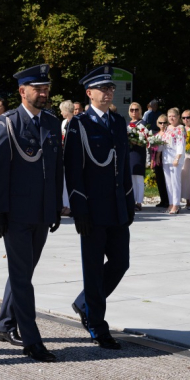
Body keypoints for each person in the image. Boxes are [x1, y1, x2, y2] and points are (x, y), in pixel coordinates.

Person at [0, 64, 63, 363]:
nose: (43, 93)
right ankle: (32, 341)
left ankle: (5, 325)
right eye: (38, 88)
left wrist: (56, 205)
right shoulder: (7, 123)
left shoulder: (51, 122)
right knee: (22, 278)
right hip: (16, 214)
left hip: (42, 212)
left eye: (46, 88)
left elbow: (56, 169)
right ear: (22, 91)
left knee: (24, 272)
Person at [64, 64, 135, 350]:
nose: (108, 93)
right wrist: (79, 208)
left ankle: (84, 304)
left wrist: (129, 201)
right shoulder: (79, 125)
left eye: (111, 88)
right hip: (92, 208)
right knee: (93, 269)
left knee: (121, 262)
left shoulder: (118, 123)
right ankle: (97, 324)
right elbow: (73, 169)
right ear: (89, 93)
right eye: (103, 89)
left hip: (117, 206)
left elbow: (124, 167)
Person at [161, 108, 186, 214]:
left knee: (175, 182)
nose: (171, 118)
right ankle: (171, 203)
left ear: (178, 117)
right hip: (166, 157)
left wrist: (177, 157)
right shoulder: (167, 128)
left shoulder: (180, 128)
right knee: (168, 182)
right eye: (169, 116)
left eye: (173, 116)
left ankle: (176, 204)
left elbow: (181, 144)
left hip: (175, 158)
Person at [128, 102, 147, 211]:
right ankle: (132, 200)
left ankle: (139, 202)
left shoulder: (142, 123)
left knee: (138, 178)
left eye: (136, 110)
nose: (134, 112)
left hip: (138, 153)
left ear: (140, 111)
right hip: (129, 153)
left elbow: (145, 138)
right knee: (130, 178)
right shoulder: (127, 123)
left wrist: (136, 140)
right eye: (132, 110)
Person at [59, 99, 74, 216]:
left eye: (61, 110)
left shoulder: (75, 121)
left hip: (72, 154)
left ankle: (70, 206)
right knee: (64, 180)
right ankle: (65, 205)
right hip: (65, 153)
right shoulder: (65, 122)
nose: (60, 113)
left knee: (70, 180)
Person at [152, 114, 170, 208]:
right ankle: (163, 200)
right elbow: (153, 149)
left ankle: (168, 200)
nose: (162, 124)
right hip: (156, 159)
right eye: (160, 123)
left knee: (167, 180)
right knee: (159, 180)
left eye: (164, 122)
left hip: (166, 158)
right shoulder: (156, 135)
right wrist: (152, 161)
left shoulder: (168, 134)